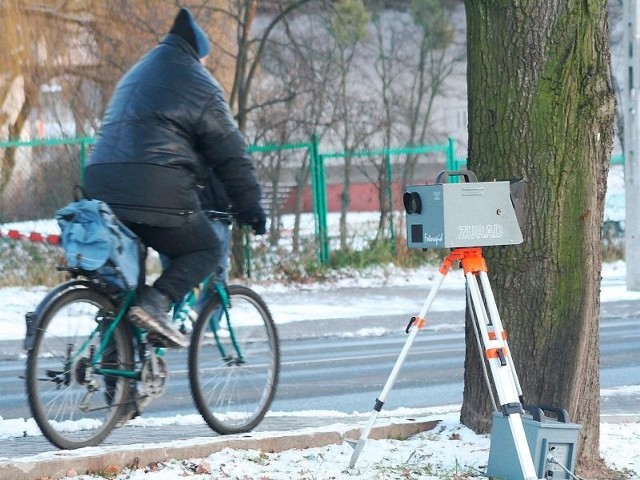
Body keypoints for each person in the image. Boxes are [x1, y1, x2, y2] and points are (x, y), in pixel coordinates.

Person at [84, 7, 266, 349]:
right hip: (152, 189)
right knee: (206, 249)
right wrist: (251, 206)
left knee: (123, 295)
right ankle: (158, 302)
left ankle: (119, 387)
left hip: (100, 188)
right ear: (198, 52)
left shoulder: (136, 74)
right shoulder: (199, 84)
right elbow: (231, 154)